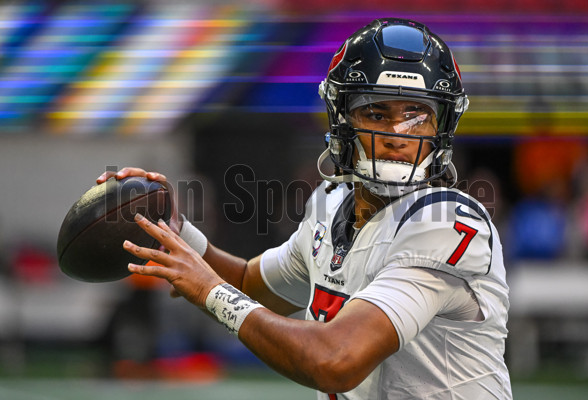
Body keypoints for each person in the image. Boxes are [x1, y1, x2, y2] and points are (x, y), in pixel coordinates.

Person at [97, 18, 512, 399]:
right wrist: (177, 231)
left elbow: (336, 361)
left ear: (442, 127)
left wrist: (209, 291)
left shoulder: (447, 223)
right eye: (375, 112)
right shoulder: (330, 204)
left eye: (416, 116)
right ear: (341, 120)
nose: (397, 135)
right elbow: (250, 286)